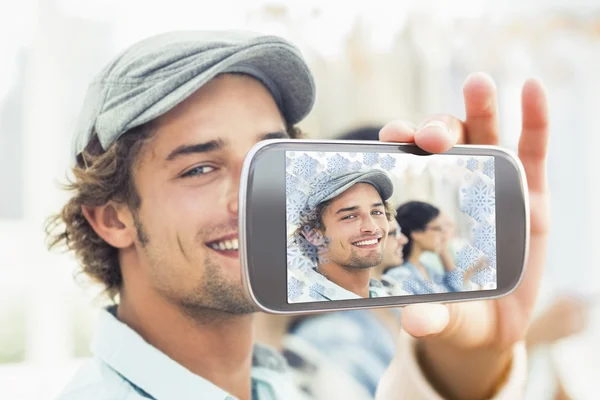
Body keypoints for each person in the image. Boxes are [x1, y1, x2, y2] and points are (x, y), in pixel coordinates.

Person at [45, 29, 551, 400]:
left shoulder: (293, 383)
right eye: (200, 168)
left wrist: (482, 351)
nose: (252, 198)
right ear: (112, 218)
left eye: (270, 160)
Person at [294, 169, 396, 299]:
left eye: (376, 212)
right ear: (313, 235)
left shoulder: (389, 296)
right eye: (350, 216)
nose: (372, 227)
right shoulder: (302, 306)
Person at [383, 201, 471, 295]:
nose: (443, 236)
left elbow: (456, 288)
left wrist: (443, 251)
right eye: (438, 229)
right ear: (417, 233)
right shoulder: (400, 275)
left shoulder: (426, 269)